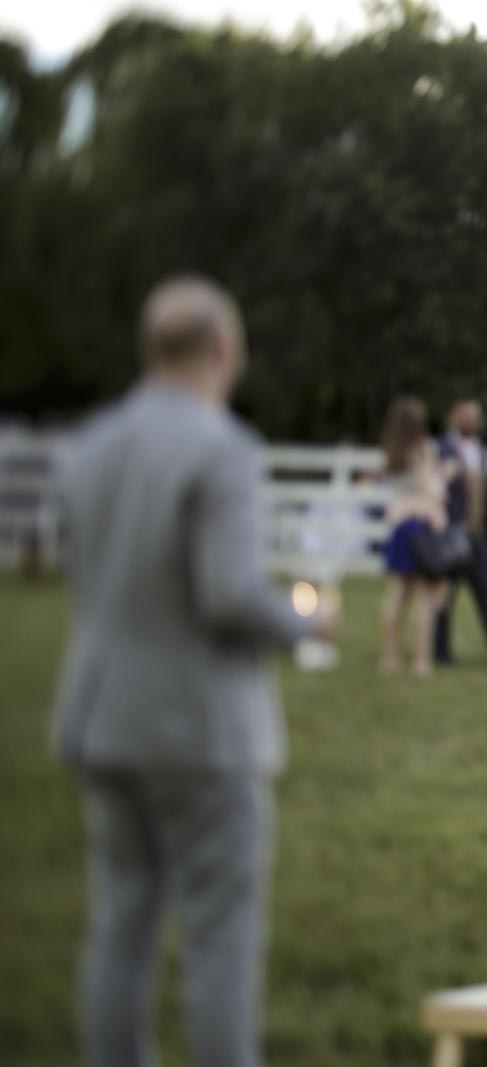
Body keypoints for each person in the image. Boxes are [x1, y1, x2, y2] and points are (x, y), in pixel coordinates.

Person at [51, 275, 338, 1067]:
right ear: (224, 347)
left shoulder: (91, 447)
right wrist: (304, 620)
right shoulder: (223, 449)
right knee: (220, 937)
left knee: (120, 924)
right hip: (200, 728)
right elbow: (228, 596)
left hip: (102, 714)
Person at [434, 399, 487, 667]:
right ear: (453, 417)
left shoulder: (482, 451)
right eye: (466, 415)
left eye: (475, 415)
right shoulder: (441, 449)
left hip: (479, 535)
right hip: (451, 535)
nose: (471, 420)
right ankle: (440, 653)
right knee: (443, 598)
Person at [379, 396, 450, 676]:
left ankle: (390, 658)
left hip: (399, 526)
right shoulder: (424, 450)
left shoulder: (392, 452)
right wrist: (443, 475)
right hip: (419, 525)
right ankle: (421, 661)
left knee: (397, 594)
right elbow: (432, 491)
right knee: (424, 597)